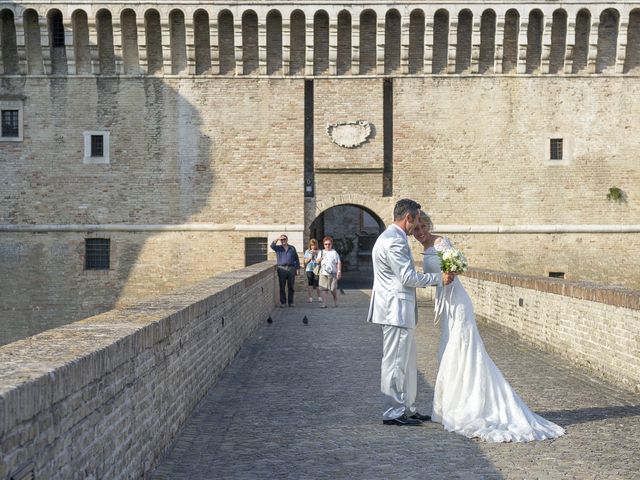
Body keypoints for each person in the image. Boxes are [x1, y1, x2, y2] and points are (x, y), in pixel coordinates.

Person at [412, 210, 565, 442]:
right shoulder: (425, 248)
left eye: (423, 227)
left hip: (458, 303)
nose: (420, 232)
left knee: (464, 352)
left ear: (428, 226)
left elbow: (455, 268)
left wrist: (449, 272)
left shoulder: (441, 242)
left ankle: (471, 407)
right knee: (448, 351)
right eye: (416, 230)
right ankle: (453, 405)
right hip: (446, 307)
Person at [367, 199, 454, 426]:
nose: (416, 227)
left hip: (399, 309)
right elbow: (407, 278)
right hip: (394, 309)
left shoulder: (390, 237)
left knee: (406, 362)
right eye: (415, 221)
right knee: (395, 362)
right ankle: (393, 412)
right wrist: (438, 279)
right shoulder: (393, 241)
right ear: (408, 218)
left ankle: (408, 407)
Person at [270, 234, 300, 307]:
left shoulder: (292, 248)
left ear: (287, 240)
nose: (283, 241)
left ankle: (291, 302)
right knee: (282, 286)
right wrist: (277, 238)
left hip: (291, 269)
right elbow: (272, 246)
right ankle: (283, 302)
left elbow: (296, 258)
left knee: (291, 286)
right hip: (281, 269)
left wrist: (297, 268)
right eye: (282, 240)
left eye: (284, 239)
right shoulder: (278, 248)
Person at [316, 236, 341, 308]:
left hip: (332, 273)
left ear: (331, 244)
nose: (327, 245)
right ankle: (324, 304)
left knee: (333, 289)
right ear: (323, 244)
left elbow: (338, 262)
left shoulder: (334, 252)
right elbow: (317, 261)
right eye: (325, 244)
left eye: (329, 244)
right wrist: (319, 260)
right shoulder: (321, 252)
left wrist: (339, 271)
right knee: (324, 289)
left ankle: (335, 299)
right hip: (323, 273)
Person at [303, 239, 321, 303]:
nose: (313, 247)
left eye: (314, 245)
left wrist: (316, 255)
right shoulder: (307, 251)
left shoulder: (319, 251)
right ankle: (310, 298)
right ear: (310, 245)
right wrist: (310, 257)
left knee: (317, 283)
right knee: (310, 283)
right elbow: (305, 262)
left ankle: (319, 297)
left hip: (317, 268)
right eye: (312, 245)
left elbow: (319, 261)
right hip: (309, 269)